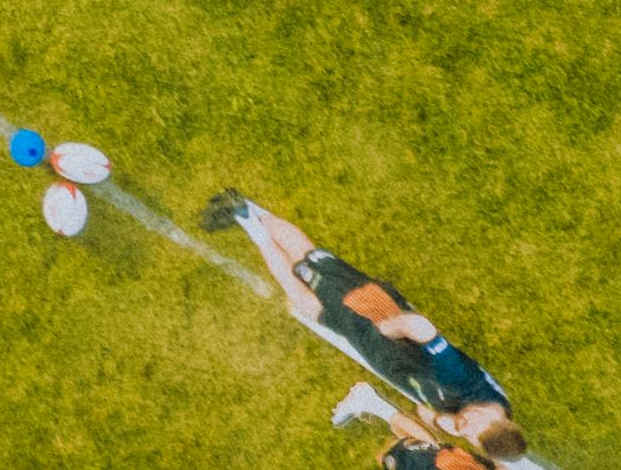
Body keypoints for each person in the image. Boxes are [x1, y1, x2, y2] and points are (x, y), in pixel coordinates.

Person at [201, 196, 531, 465]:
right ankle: (248, 208)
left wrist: (439, 420)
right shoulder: (461, 381)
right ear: (490, 417)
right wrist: (386, 326)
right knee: (310, 263)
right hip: (374, 316)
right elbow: (422, 328)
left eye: (471, 437)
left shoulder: (490, 417)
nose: (466, 433)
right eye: (471, 431)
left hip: (380, 350)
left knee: (304, 301)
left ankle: (246, 220)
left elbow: (429, 411)